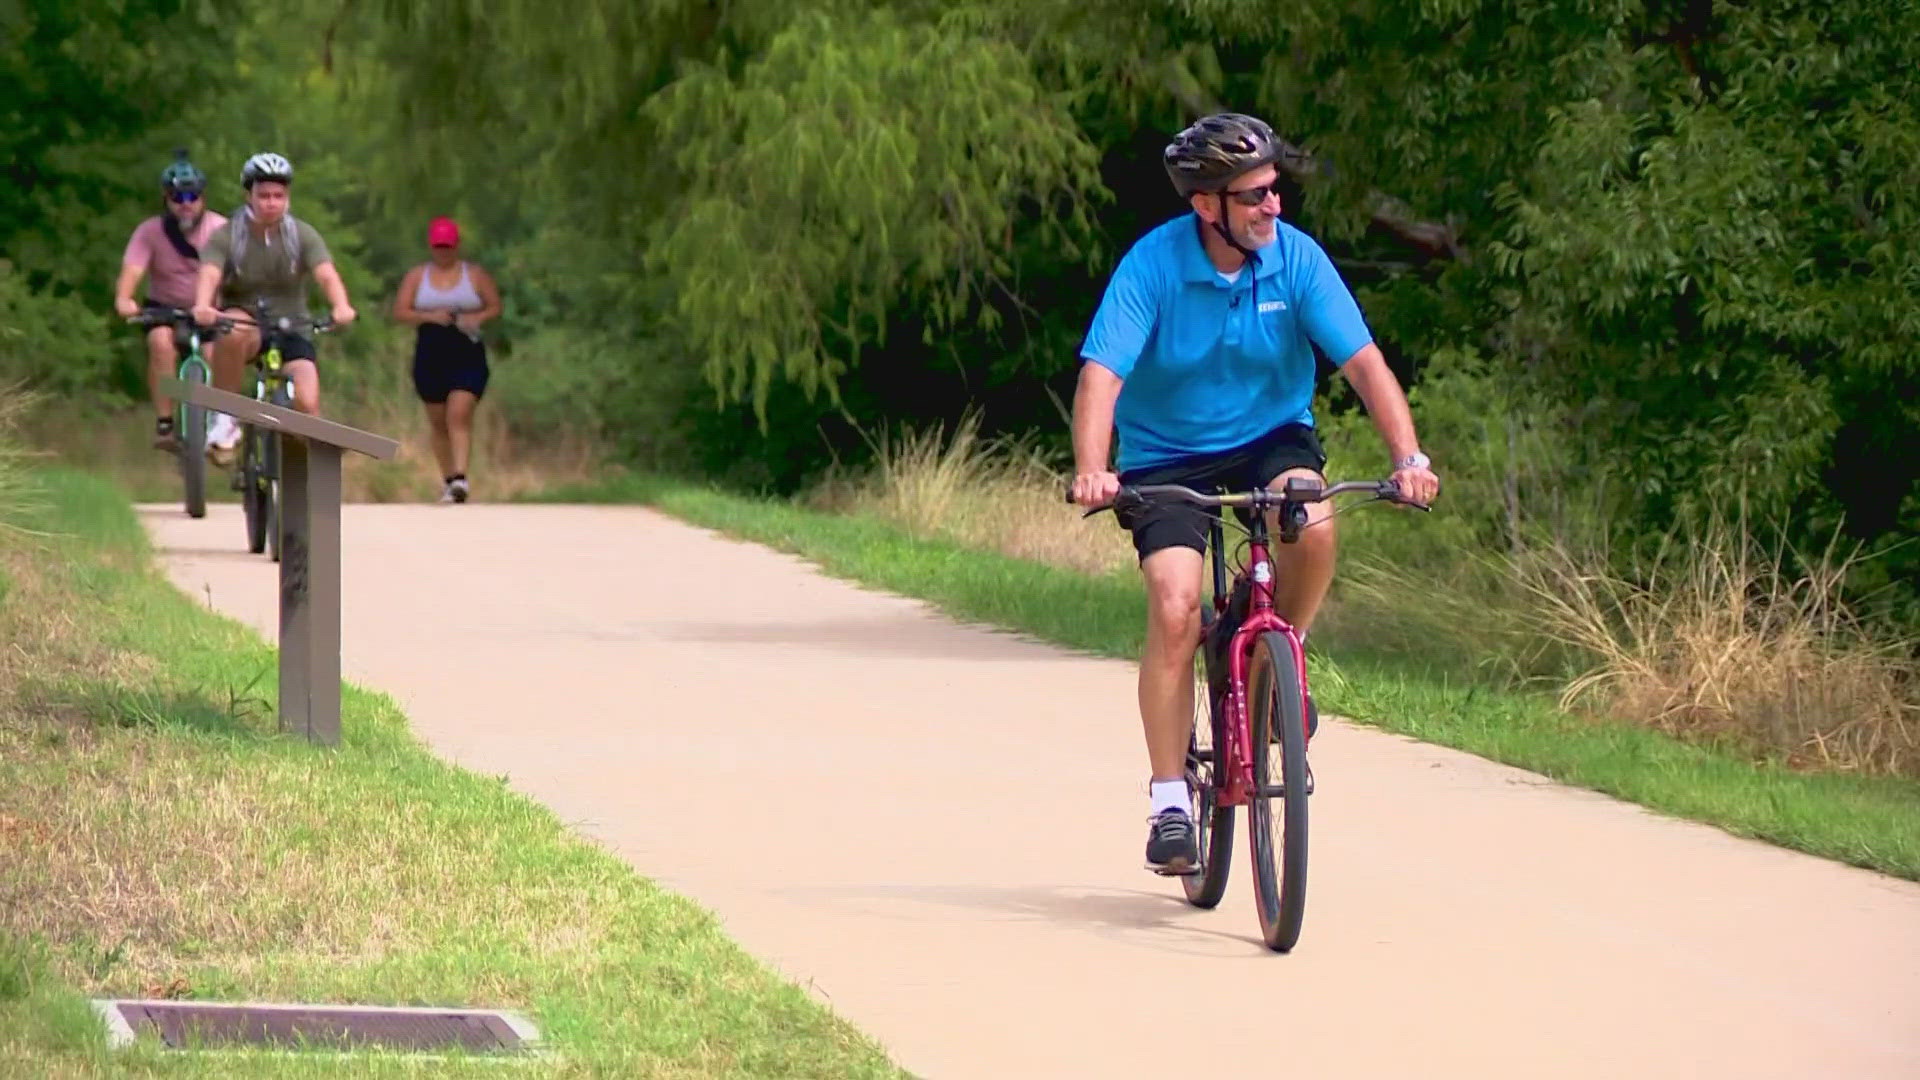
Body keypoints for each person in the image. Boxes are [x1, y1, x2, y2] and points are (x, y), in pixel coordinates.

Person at [1067, 113, 1442, 874]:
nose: (1274, 207)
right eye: (1254, 196)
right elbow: (1100, 377)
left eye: (1276, 191)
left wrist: (1409, 456)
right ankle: (1170, 801)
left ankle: (1281, 654)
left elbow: (1365, 365)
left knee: (1315, 515)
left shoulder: (1297, 262)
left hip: (1272, 436)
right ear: (1208, 206)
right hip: (1168, 453)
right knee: (1174, 606)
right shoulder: (1153, 268)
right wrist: (1092, 467)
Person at [191, 152, 356, 459]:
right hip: (250, 323)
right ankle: (226, 419)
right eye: (263, 195)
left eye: (278, 196)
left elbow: (326, 274)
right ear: (248, 196)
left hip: (292, 325)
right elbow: (209, 272)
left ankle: (298, 472)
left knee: (307, 402)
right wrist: (202, 304)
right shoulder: (228, 235)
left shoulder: (301, 235)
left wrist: (341, 306)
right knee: (230, 328)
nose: (271, 202)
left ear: (287, 197)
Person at [112, 151, 229, 448]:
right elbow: (132, 271)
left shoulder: (221, 230)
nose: (186, 204)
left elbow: (238, 273)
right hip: (164, 309)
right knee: (160, 344)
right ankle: (165, 423)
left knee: (217, 352)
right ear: (166, 199)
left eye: (192, 197)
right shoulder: (149, 232)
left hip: (211, 310)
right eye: (178, 198)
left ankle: (219, 419)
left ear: (203, 198)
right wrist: (125, 300)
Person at [391, 216, 501, 503]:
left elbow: (494, 306)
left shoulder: (474, 274)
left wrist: (475, 316)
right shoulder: (417, 277)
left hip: (466, 349)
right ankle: (449, 479)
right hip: (431, 350)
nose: (443, 252)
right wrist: (429, 316)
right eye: (439, 247)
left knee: (459, 413)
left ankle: (462, 476)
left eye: (448, 247)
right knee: (438, 420)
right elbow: (401, 312)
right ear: (431, 247)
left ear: (457, 246)